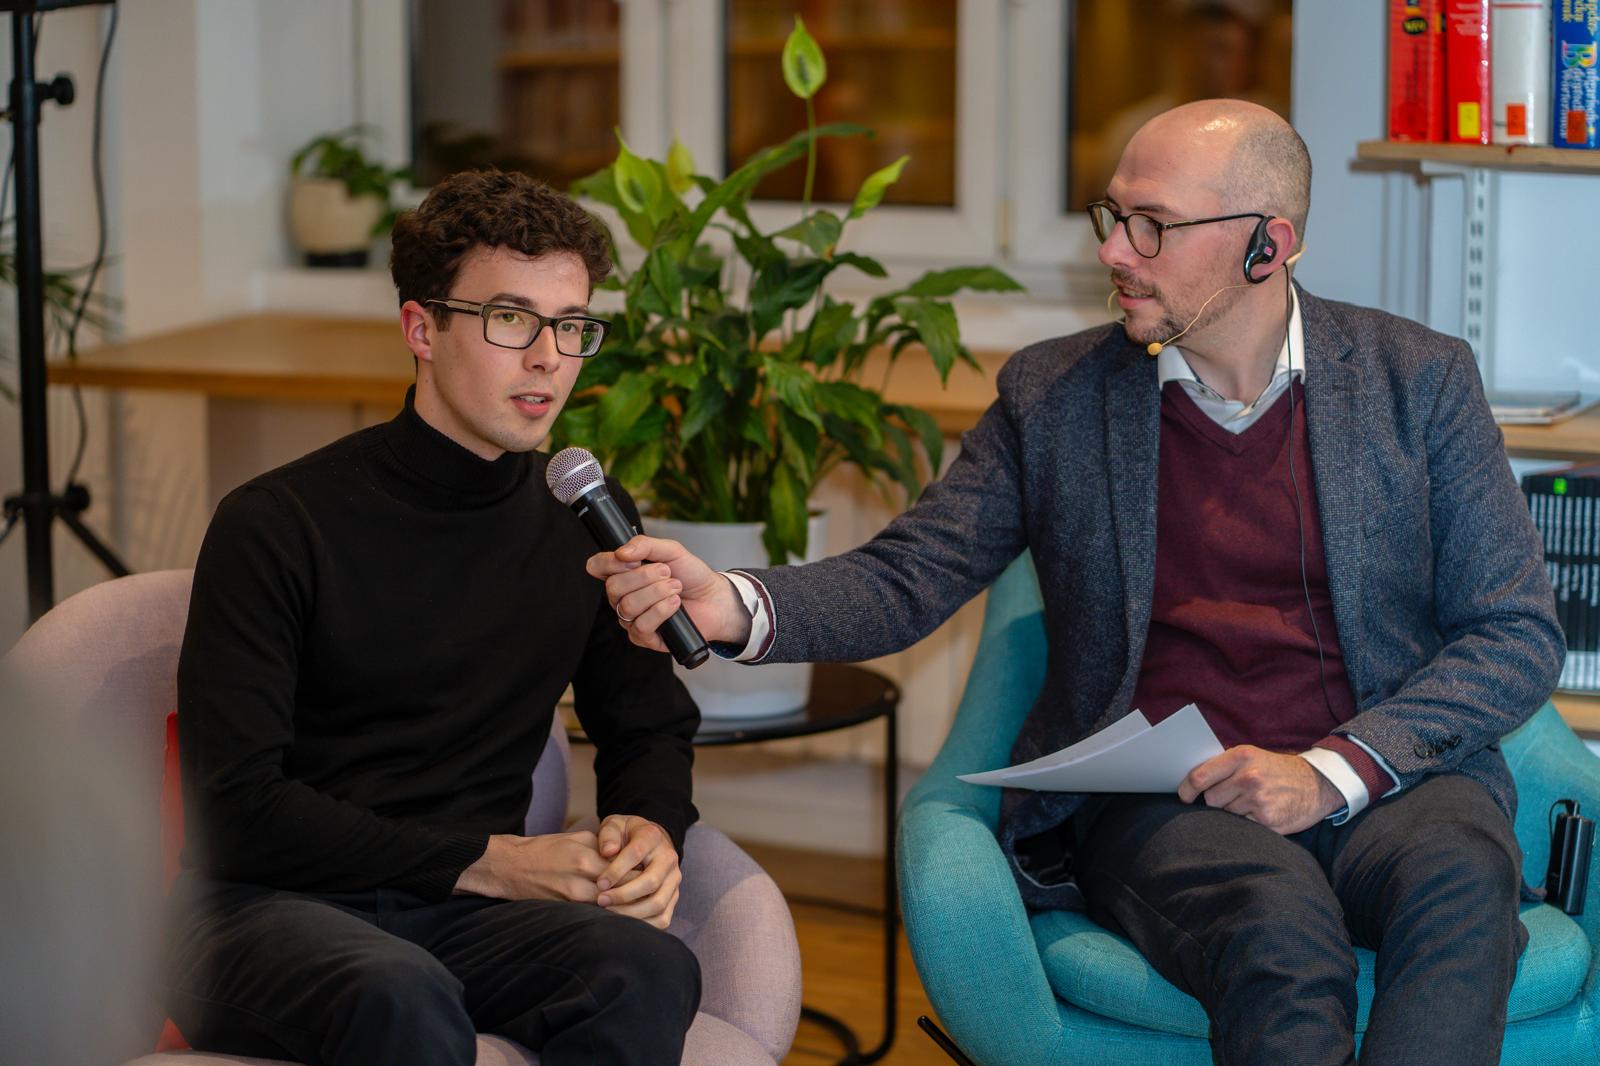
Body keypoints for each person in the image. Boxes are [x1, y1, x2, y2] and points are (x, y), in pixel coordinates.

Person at [591, 100, 1564, 1066]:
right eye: (1113, 217)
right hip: (1170, 801)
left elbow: (1513, 631)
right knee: (1280, 935)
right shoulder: (1053, 398)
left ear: (1268, 246)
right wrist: (733, 603)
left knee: (1461, 882)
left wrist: (1331, 770)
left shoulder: (1417, 379)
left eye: (1153, 226)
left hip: (1384, 777)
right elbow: (908, 575)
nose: (1115, 251)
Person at [168, 169, 702, 1066]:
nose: (549, 359)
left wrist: (649, 826)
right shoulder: (277, 523)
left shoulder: (583, 521)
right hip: (265, 910)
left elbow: (648, 724)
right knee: (397, 995)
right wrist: (488, 860)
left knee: (645, 969)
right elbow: (236, 810)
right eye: (511, 320)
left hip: (463, 916)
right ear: (422, 328)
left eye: (571, 326)